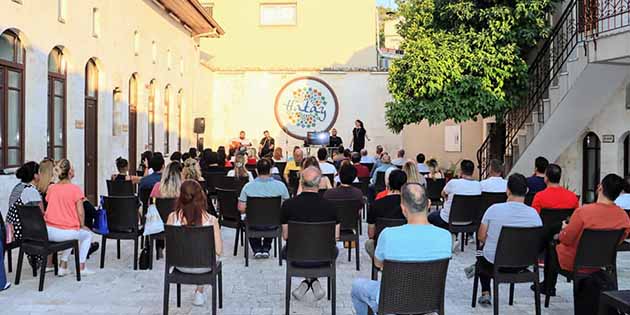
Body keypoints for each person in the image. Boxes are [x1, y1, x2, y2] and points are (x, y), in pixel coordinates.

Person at [351, 183, 452, 315]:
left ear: (403, 209)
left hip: (392, 300)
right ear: (428, 204)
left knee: (357, 286)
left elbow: (378, 264)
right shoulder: (445, 236)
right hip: (428, 300)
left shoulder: (388, 234)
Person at [539, 174, 630, 296]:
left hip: (575, 262)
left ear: (600, 188)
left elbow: (567, 239)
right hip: (603, 262)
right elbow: (619, 240)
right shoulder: (623, 217)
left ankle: (548, 287)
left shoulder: (584, 212)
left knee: (552, 245)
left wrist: (560, 234)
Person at [475, 174, 543, 306]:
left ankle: (485, 292)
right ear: (527, 191)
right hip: (523, 263)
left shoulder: (493, 210)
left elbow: (481, 236)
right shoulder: (534, 215)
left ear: (508, 190)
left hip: (495, 263)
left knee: (480, 252)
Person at [281, 166, 340, 301]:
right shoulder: (331, 207)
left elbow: (286, 236)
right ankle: (313, 281)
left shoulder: (288, 205)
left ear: (301, 182)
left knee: (286, 250)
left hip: (296, 256)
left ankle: (308, 281)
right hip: (324, 257)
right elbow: (336, 237)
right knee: (332, 250)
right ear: (319, 183)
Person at [166, 180, 222, 307]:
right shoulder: (211, 220)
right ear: (201, 196)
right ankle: (199, 291)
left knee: (197, 253)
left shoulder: (172, 217)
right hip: (205, 266)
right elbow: (218, 250)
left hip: (179, 264)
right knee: (205, 255)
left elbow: (169, 247)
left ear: (181, 197)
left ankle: (199, 292)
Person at [44, 159, 94, 275]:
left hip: (49, 231)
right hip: (65, 232)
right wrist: (82, 225)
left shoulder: (51, 188)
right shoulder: (75, 189)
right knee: (86, 235)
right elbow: (81, 212)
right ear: (69, 171)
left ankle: (63, 266)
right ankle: (81, 267)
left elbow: (48, 202)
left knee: (72, 233)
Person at [238, 159, 290, 258]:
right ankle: (266, 247)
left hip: (253, 223)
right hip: (273, 223)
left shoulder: (248, 187)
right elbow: (286, 206)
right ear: (270, 170)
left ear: (256, 171)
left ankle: (257, 249)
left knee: (248, 219)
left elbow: (241, 208)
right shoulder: (281, 186)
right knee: (271, 217)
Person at [428, 160, 481, 249]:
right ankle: (454, 235)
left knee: (430, 217)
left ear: (461, 171)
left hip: (448, 219)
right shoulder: (478, 185)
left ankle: (447, 237)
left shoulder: (453, 183)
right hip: (469, 220)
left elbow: (443, 193)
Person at [6, 162, 46, 270]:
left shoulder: (18, 187)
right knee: (49, 228)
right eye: (39, 172)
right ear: (35, 176)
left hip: (11, 229)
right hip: (22, 231)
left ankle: (35, 257)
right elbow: (41, 214)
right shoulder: (31, 191)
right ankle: (45, 259)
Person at [365, 170, 407, 259]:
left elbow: (371, 234)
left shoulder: (375, 204)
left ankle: (382, 265)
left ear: (388, 183)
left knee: (369, 244)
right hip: (404, 245)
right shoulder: (409, 205)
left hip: (383, 245)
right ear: (405, 185)